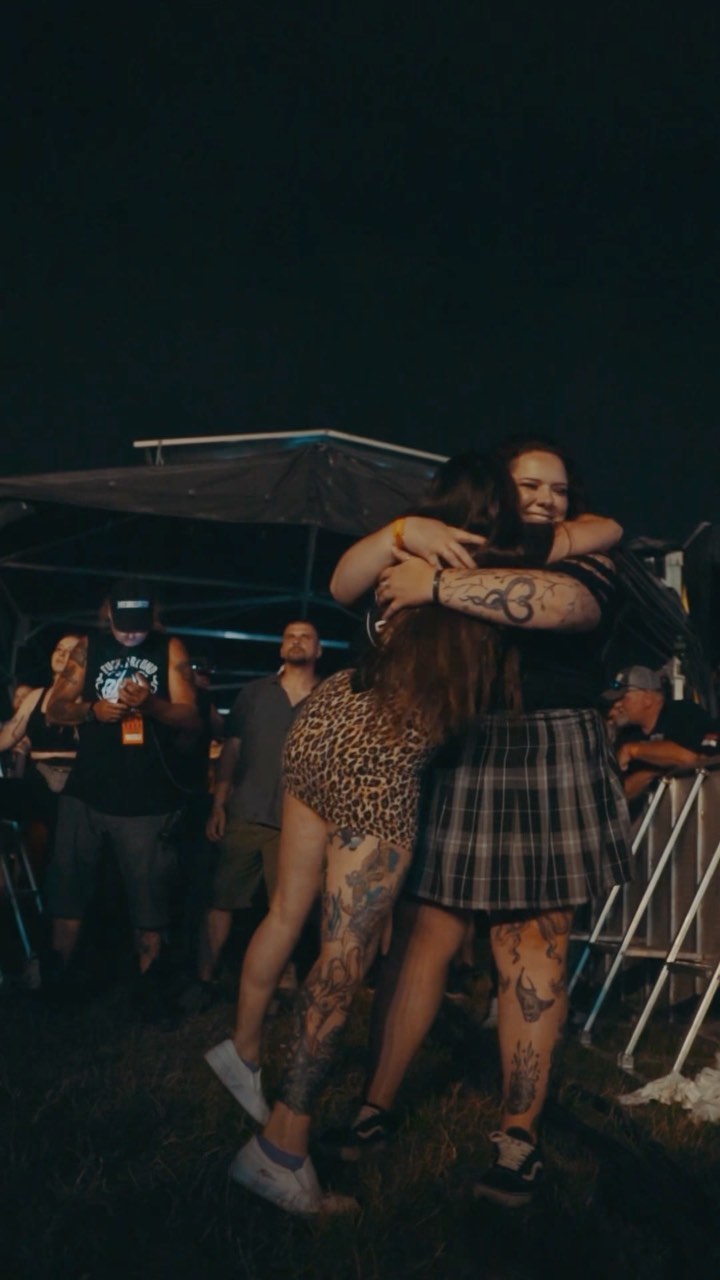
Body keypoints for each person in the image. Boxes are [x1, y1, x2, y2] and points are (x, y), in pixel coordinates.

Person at [221, 449, 624, 1215]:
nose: (546, 498)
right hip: (394, 752)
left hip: (369, 728)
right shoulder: (437, 544)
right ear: (497, 494)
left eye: (560, 488)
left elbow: (574, 594)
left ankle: (274, 1095)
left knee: (351, 936)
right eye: (528, 485)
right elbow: (347, 582)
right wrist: (406, 533)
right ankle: (291, 1139)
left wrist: (431, 577)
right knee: (371, 949)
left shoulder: (476, 560)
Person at [43, 579, 200, 987]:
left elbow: (191, 718)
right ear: (108, 614)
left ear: (153, 617)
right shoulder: (88, 648)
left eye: (139, 627)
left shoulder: (170, 649)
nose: (130, 635)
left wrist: (153, 705)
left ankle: (150, 990)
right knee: (68, 894)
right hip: (87, 791)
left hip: (147, 798)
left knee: (150, 904)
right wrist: (91, 710)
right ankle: (56, 984)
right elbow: (55, 708)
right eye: (122, 627)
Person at [198, 621, 322, 1002]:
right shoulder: (253, 694)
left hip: (300, 820)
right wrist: (219, 803)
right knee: (221, 898)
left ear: (318, 650)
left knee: (288, 905)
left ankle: (284, 979)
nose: (296, 641)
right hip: (247, 811)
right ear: (280, 648)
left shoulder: (329, 697)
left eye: (305, 636)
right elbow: (232, 749)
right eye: (289, 636)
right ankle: (204, 978)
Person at [603, 665, 718, 802]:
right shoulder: (627, 734)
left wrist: (633, 750)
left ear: (647, 698)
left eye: (623, 698)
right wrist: (653, 771)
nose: (617, 705)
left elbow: (690, 758)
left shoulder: (683, 714)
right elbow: (620, 793)